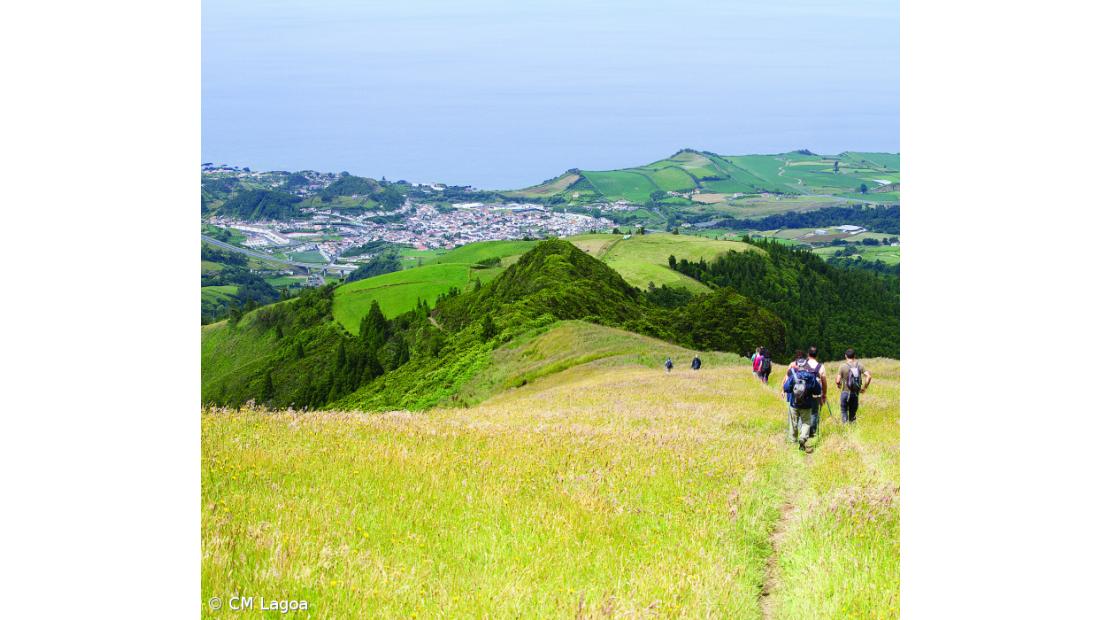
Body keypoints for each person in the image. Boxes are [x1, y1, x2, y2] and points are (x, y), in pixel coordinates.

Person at [782, 349, 824, 451]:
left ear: (798, 365)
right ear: (805, 365)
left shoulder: (793, 376)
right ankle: (803, 438)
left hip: (793, 403)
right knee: (806, 422)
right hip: (807, 404)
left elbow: (786, 388)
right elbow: (817, 391)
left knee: (793, 422)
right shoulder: (811, 376)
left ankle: (792, 441)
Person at [835, 348, 871, 423]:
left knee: (844, 411)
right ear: (854, 356)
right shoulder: (860, 365)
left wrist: (839, 385)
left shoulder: (842, 366)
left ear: (845, 356)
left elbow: (838, 380)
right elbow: (869, 376)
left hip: (845, 393)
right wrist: (864, 388)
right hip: (855, 394)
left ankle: (845, 429)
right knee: (853, 414)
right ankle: (852, 430)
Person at [804, 346, 827, 438]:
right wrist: (824, 394)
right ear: (816, 355)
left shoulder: (803, 365)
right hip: (816, 393)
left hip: (804, 393)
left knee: (804, 411)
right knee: (814, 412)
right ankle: (812, 432)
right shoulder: (820, 366)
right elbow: (824, 381)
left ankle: (803, 432)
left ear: (808, 354)